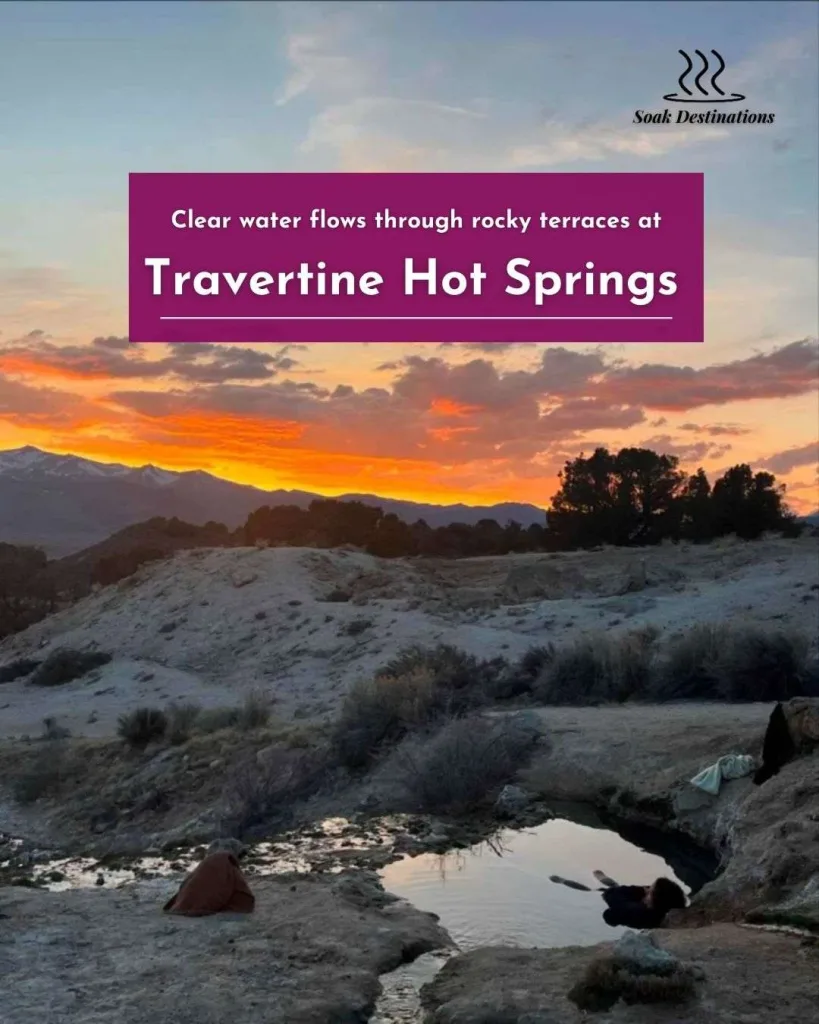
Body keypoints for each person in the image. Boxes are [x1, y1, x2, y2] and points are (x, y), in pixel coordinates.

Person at [549, 870, 687, 928]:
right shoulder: (661, 908)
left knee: (594, 891)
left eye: (649, 891)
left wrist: (619, 894)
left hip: (609, 899)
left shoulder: (641, 913)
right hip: (625, 899)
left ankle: (562, 881)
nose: (646, 890)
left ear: (653, 901)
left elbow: (609, 915)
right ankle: (609, 882)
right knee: (612, 888)